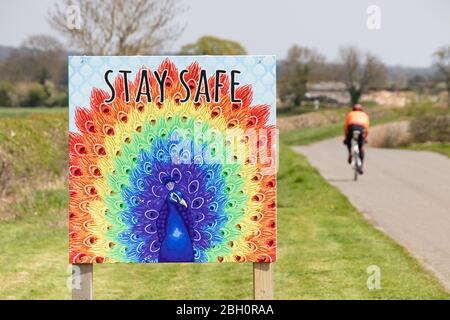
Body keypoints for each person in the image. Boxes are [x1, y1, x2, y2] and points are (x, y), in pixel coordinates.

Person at [344, 104, 369, 173]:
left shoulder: (350, 114)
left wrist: (346, 138)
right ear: (361, 110)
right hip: (361, 128)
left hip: (352, 127)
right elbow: (366, 128)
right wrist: (365, 138)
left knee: (348, 141)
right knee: (361, 147)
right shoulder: (364, 115)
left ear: (353, 109)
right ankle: (361, 167)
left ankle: (350, 154)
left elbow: (346, 127)